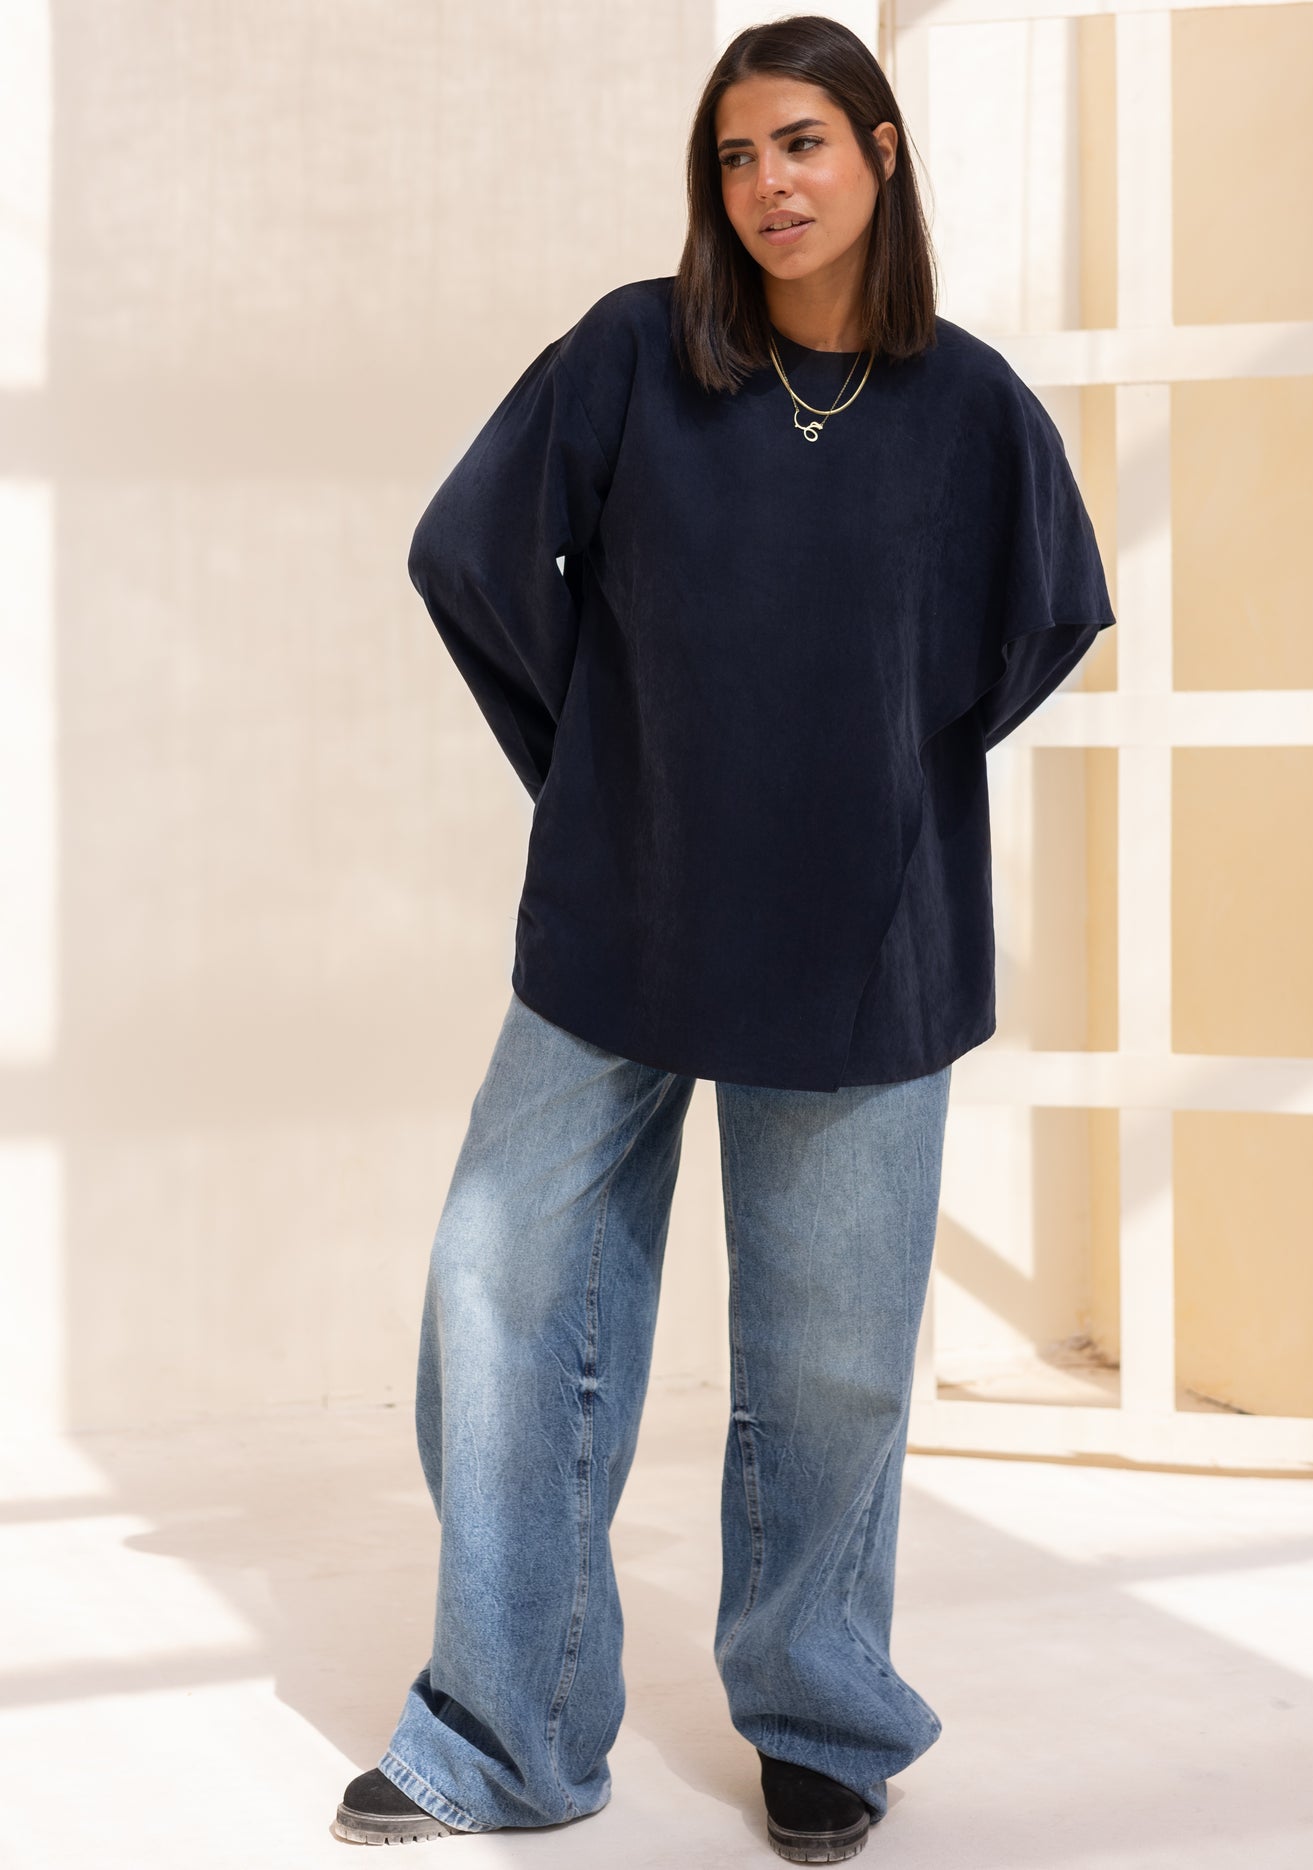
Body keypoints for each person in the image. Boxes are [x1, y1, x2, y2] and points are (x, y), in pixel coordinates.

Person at [331, 14, 1114, 1861]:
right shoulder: (632, 354)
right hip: (626, 907)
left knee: (832, 1360)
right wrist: (611, 759)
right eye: (735, 156)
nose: (767, 184)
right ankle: (504, 1726)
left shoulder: (970, 406)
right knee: (498, 1290)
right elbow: (468, 558)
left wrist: (874, 778)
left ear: (880, 154)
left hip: (866, 942)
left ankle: (820, 1716)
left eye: (800, 144)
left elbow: (1034, 626)